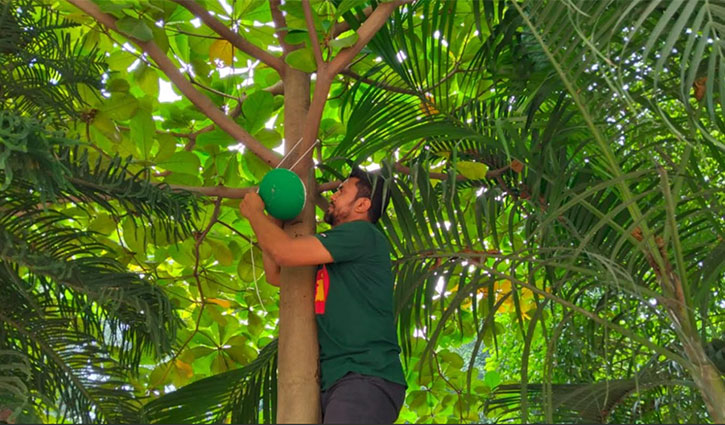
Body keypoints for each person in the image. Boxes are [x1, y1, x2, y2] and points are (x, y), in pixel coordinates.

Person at [239, 167, 407, 424]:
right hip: (342, 380)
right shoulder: (334, 253)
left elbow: (285, 252)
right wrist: (273, 220)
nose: (333, 194)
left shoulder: (362, 235)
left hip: (364, 375)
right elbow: (277, 274)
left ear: (362, 205)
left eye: (342, 190)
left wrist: (254, 213)